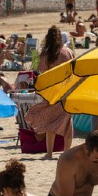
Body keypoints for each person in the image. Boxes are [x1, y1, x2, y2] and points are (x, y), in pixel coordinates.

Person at [24, 26, 74, 158]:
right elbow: (73, 69)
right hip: (65, 91)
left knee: (50, 123)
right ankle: (67, 153)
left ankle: (49, 153)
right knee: (68, 123)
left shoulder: (44, 54)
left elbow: (38, 70)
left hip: (50, 92)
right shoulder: (67, 52)